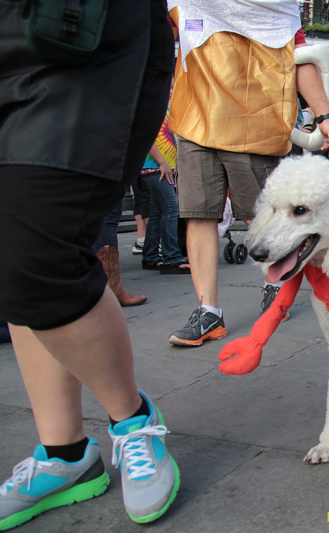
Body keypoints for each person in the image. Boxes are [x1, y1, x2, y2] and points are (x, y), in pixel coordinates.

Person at [0, 0, 179, 528]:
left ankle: (133, 419)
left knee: (40, 249)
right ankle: (65, 456)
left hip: (82, 30)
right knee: (11, 249)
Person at [167, 1, 329, 346]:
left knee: (261, 217)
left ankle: (276, 285)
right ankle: (208, 312)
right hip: (194, 118)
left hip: (253, 125)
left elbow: (299, 59)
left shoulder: (274, 6)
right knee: (198, 215)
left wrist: (324, 115)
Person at [141, 107, 190, 275]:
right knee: (171, 207)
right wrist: (162, 162)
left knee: (157, 212)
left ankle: (150, 256)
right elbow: (146, 135)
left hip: (163, 167)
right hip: (155, 166)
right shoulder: (153, 104)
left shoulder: (167, 106)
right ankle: (172, 258)